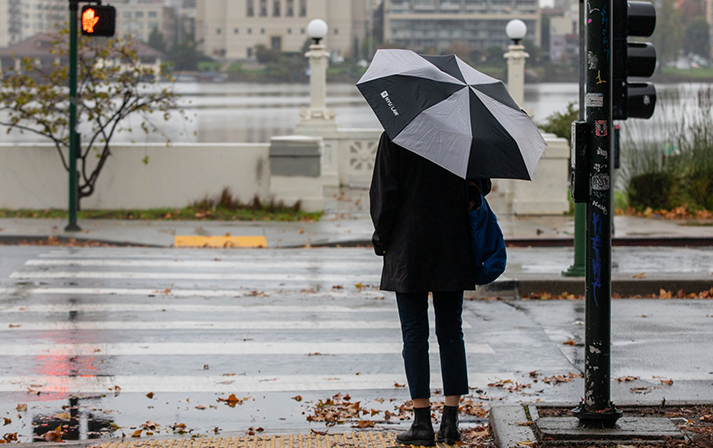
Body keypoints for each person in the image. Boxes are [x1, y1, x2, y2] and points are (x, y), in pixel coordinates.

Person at [369, 132, 491, 446]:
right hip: (453, 242)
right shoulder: (461, 134)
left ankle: (421, 422)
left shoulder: (396, 135)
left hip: (408, 244)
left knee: (414, 333)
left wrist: (381, 239)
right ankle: (451, 420)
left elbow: (385, 192)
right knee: (451, 331)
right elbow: (482, 185)